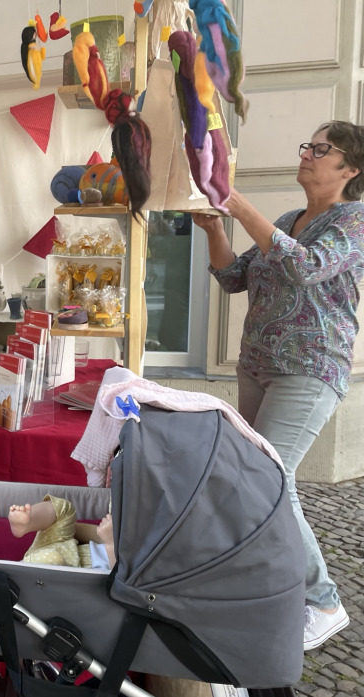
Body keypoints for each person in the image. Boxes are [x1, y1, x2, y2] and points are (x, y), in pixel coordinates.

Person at [192, 120, 364, 652]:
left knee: (270, 479)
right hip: (258, 365)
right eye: (307, 145)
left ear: (351, 169)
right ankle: (259, 584)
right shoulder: (291, 219)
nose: (307, 154)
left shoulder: (354, 222)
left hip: (309, 370)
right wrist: (215, 229)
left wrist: (238, 206)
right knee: (251, 479)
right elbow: (233, 276)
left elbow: (308, 267)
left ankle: (325, 601)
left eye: (321, 149)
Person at [8, 496, 115, 570]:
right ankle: (29, 521)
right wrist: (64, 525)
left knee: (53, 558)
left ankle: (15, 573)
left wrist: (111, 544)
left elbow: (122, 578)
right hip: (64, 546)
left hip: (75, 568)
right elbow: (88, 532)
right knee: (65, 509)